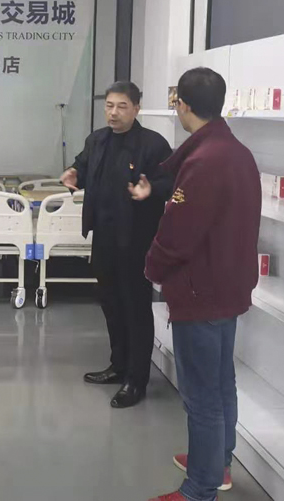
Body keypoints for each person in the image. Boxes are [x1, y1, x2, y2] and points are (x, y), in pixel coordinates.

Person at [145, 68, 262, 501]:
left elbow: (178, 233)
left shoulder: (203, 161)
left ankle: (200, 488)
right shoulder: (237, 152)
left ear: (183, 105)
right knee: (221, 381)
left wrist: (153, 267)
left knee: (201, 395)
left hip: (201, 290)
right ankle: (219, 463)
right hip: (228, 286)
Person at [60, 81, 173, 409]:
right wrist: (72, 174)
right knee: (110, 303)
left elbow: (170, 181)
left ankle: (137, 380)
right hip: (104, 236)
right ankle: (118, 365)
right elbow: (82, 166)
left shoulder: (153, 144)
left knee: (135, 308)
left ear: (136, 108)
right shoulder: (97, 140)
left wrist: (151, 190)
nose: (113, 112)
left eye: (122, 106)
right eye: (109, 105)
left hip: (137, 239)